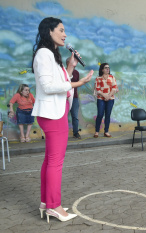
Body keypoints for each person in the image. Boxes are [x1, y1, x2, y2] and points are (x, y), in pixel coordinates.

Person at [32, 17, 93, 222]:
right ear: (49, 31)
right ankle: (54, 206)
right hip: (52, 115)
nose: (65, 34)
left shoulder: (52, 54)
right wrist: (78, 83)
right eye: (61, 30)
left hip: (55, 112)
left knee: (50, 161)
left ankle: (45, 203)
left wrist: (70, 66)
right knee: (56, 163)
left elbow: (59, 81)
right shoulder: (43, 54)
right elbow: (49, 88)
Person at [94, 63, 118, 138]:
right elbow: (97, 89)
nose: (107, 69)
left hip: (110, 99)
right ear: (102, 69)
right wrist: (104, 96)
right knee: (100, 115)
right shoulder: (98, 78)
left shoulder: (112, 77)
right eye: (105, 67)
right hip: (101, 99)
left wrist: (109, 96)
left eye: (108, 67)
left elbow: (114, 87)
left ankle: (106, 131)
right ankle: (97, 131)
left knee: (107, 115)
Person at [66, 57, 81, 139]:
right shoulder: (63, 72)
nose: (74, 64)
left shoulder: (76, 73)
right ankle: (62, 133)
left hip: (74, 97)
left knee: (75, 115)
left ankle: (76, 132)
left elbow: (77, 84)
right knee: (63, 116)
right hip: (64, 98)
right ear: (68, 63)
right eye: (73, 62)